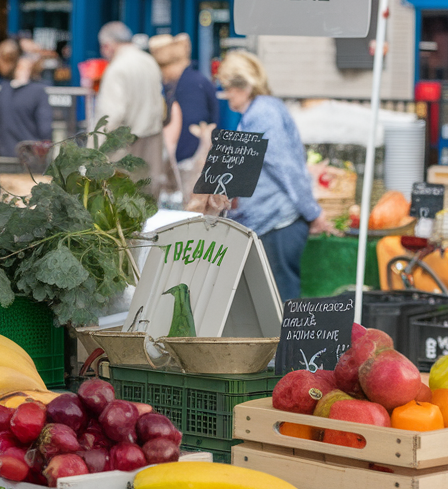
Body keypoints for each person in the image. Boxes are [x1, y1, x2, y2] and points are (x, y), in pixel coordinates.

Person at [216, 50, 334, 301]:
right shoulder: (258, 111)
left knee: (279, 303)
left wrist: (313, 212)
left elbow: (286, 168)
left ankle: (287, 343)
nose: (227, 96)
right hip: (270, 221)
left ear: (244, 86)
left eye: (229, 88)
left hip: (277, 222)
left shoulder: (262, 113)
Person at [94, 21, 168, 195]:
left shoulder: (117, 69)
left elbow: (110, 116)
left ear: (108, 45)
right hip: (151, 144)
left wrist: (95, 152)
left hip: (125, 151)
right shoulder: (149, 61)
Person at [152, 33, 220, 180]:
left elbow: (189, 129)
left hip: (187, 165)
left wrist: (171, 163)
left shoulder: (188, 85)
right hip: (193, 161)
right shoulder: (196, 80)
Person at [0, 40, 52, 160]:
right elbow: (45, 130)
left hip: (5, 157)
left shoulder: (3, 90)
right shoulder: (39, 92)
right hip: (31, 161)